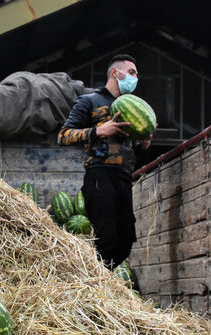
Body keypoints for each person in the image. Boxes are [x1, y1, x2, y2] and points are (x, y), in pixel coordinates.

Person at [57, 54, 152, 270]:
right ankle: (89, 281)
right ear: (115, 73)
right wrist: (99, 130)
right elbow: (63, 136)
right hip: (100, 176)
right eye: (131, 72)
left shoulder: (129, 106)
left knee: (125, 242)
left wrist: (143, 146)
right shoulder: (90, 101)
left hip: (124, 178)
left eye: (136, 74)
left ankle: (99, 279)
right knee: (106, 239)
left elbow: (129, 148)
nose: (135, 78)